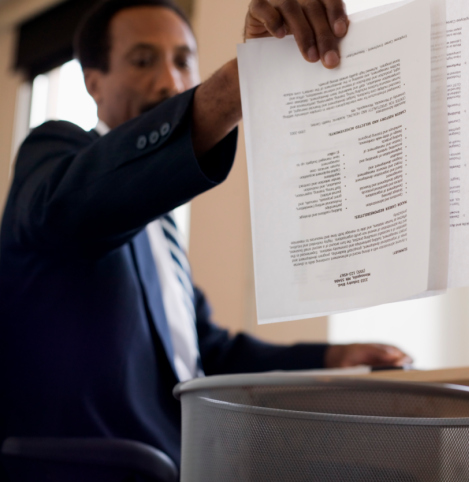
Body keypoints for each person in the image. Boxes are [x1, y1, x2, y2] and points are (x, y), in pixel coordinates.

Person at [0, 0, 411, 469]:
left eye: (182, 61)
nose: (169, 82)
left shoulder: (164, 229)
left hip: (195, 461)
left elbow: (205, 353)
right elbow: (74, 208)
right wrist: (243, 81)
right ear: (93, 83)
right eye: (142, 60)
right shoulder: (53, 153)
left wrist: (335, 356)